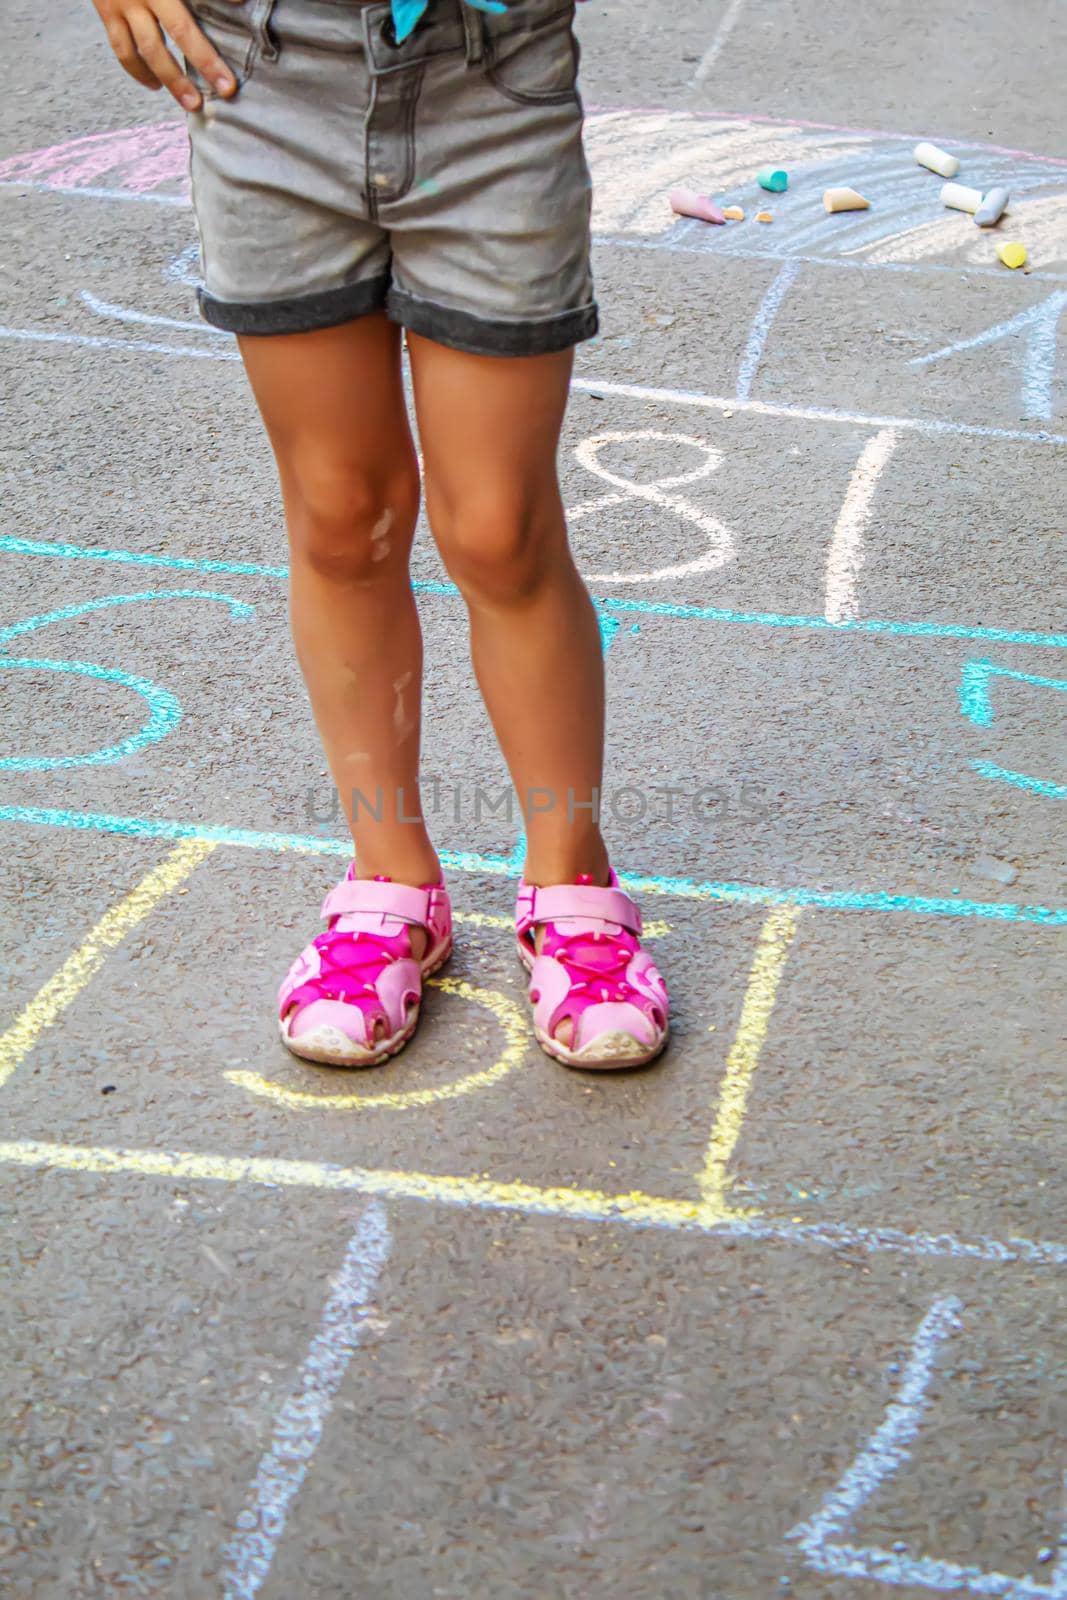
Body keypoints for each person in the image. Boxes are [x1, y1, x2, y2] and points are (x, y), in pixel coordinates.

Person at [92, 0, 669, 1071]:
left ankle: (572, 875)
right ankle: (390, 879)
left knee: (498, 528)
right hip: (257, 74)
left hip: (489, 78)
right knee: (340, 516)